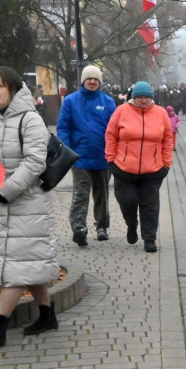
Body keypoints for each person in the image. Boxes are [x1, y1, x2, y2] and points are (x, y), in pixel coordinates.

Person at [0, 67, 60, 348]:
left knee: (15, 265)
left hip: (28, 203)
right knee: (28, 261)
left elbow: (35, 162)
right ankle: (46, 315)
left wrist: (6, 191)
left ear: (13, 88)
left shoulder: (30, 120)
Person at [105, 81, 175, 253]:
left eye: (147, 97)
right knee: (127, 200)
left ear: (152, 98)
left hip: (153, 169)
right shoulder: (121, 111)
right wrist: (111, 160)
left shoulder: (160, 113)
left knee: (150, 204)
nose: (143, 101)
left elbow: (167, 139)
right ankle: (131, 224)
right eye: (139, 97)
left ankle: (149, 238)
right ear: (133, 97)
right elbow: (111, 135)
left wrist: (166, 163)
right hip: (124, 168)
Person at [56, 65, 117, 246]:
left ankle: (102, 226)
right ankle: (79, 228)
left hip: (103, 157)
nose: (92, 82)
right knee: (81, 194)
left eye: (96, 79)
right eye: (89, 79)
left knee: (102, 194)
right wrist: (69, 150)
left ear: (100, 82)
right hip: (80, 158)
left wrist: (112, 151)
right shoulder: (70, 101)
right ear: (83, 81)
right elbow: (63, 127)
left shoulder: (107, 102)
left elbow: (114, 129)